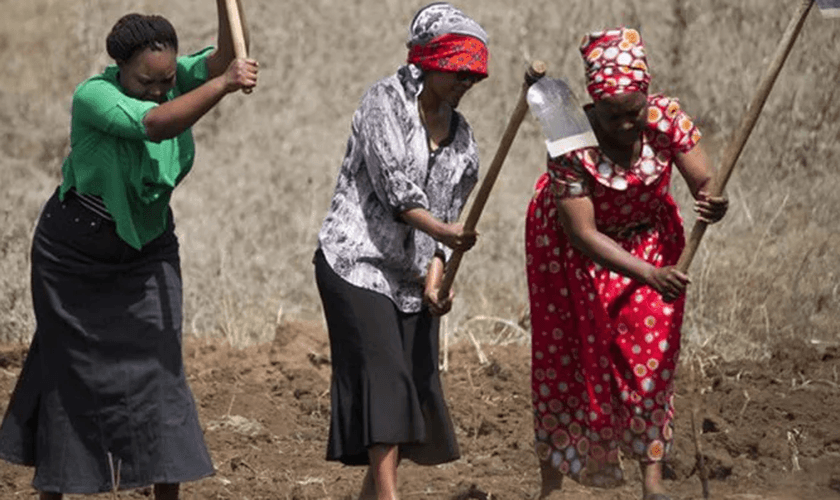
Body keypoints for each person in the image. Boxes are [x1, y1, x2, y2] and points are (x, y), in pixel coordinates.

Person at [0, 3, 258, 499]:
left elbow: (227, 54)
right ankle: (55, 490)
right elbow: (156, 124)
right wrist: (224, 84)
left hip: (148, 250)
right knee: (68, 371)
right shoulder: (94, 97)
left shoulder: (174, 80)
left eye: (167, 80)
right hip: (74, 254)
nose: (159, 89)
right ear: (120, 69)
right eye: (145, 82)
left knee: (162, 372)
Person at [525, 27, 728, 500]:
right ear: (593, 104)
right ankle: (552, 487)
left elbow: (705, 182)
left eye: (633, 111)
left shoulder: (666, 118)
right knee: (568, 363)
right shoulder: (568, 136)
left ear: (646, 96)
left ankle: (652, 483)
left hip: (650, 241)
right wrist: (649, 275)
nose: (624, 124)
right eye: (612, 114)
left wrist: (713, 201)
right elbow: (582, 233)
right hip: (571, 255)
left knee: (649, 359)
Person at [313, 3, 488, 499]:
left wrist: (435, 283)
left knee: (412, 385)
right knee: (385, 377)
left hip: (410, 277)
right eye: (458, 73)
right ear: (430, 62)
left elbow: (445, 216)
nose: (465, 84)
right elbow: (398, 192)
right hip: (356, 261)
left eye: (473, 77)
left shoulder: (463, 142)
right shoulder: (383, 103)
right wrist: (445, 231)